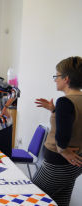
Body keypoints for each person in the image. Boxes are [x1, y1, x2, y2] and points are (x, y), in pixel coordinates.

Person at [33, 56, 82, 206]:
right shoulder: (72, 102)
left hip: (57, 165)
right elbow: (74, 122)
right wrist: (54, 110)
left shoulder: (65, 102)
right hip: (75, 164)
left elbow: (63, 135)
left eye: (57, 76)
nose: (55, 80)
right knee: (60, 201)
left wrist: (62, 149)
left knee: (31, 196)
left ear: (66, 79)